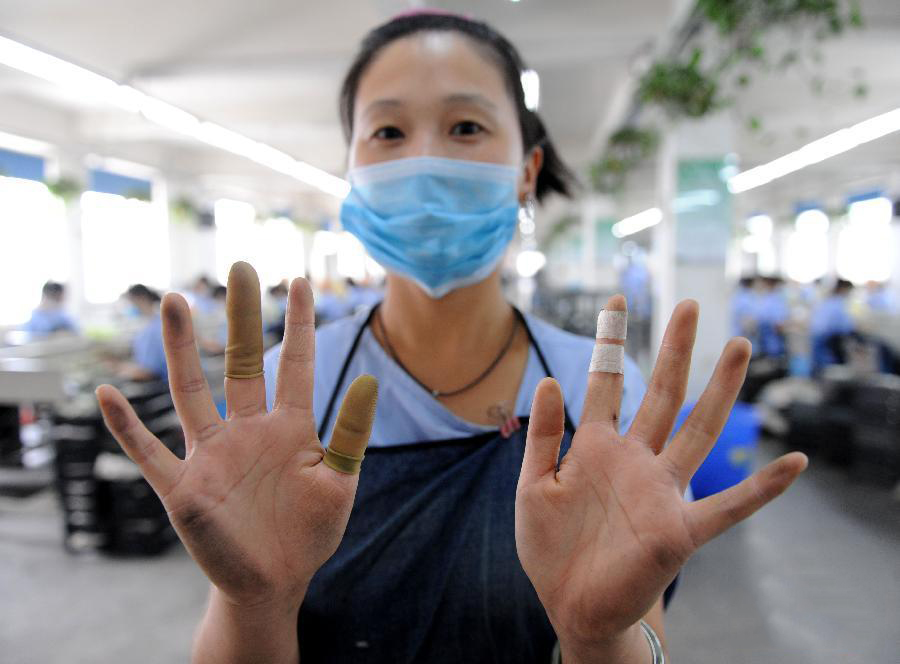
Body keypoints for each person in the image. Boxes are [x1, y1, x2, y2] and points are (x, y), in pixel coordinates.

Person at [94, 12, 808, 664]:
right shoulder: (291, 392)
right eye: (388, 132)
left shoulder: (595, 391)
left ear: (526, 171)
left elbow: (646, 641)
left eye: (466, 127)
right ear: (353, 174)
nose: (427, 159)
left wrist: (598, 639)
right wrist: (254, 602)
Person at [114, 284, 168, 382]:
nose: (129, 306)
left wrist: (122, 371)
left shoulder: (156, 328)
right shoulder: (150, 324)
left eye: (130, 301)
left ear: (141, 299)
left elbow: (151, 372)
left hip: (159, 385)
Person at [810, 279, 856, 372]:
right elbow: (845, 326)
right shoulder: (838, 302)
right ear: (843, 289)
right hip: (827, 338)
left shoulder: (827, 301)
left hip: (818, 336)